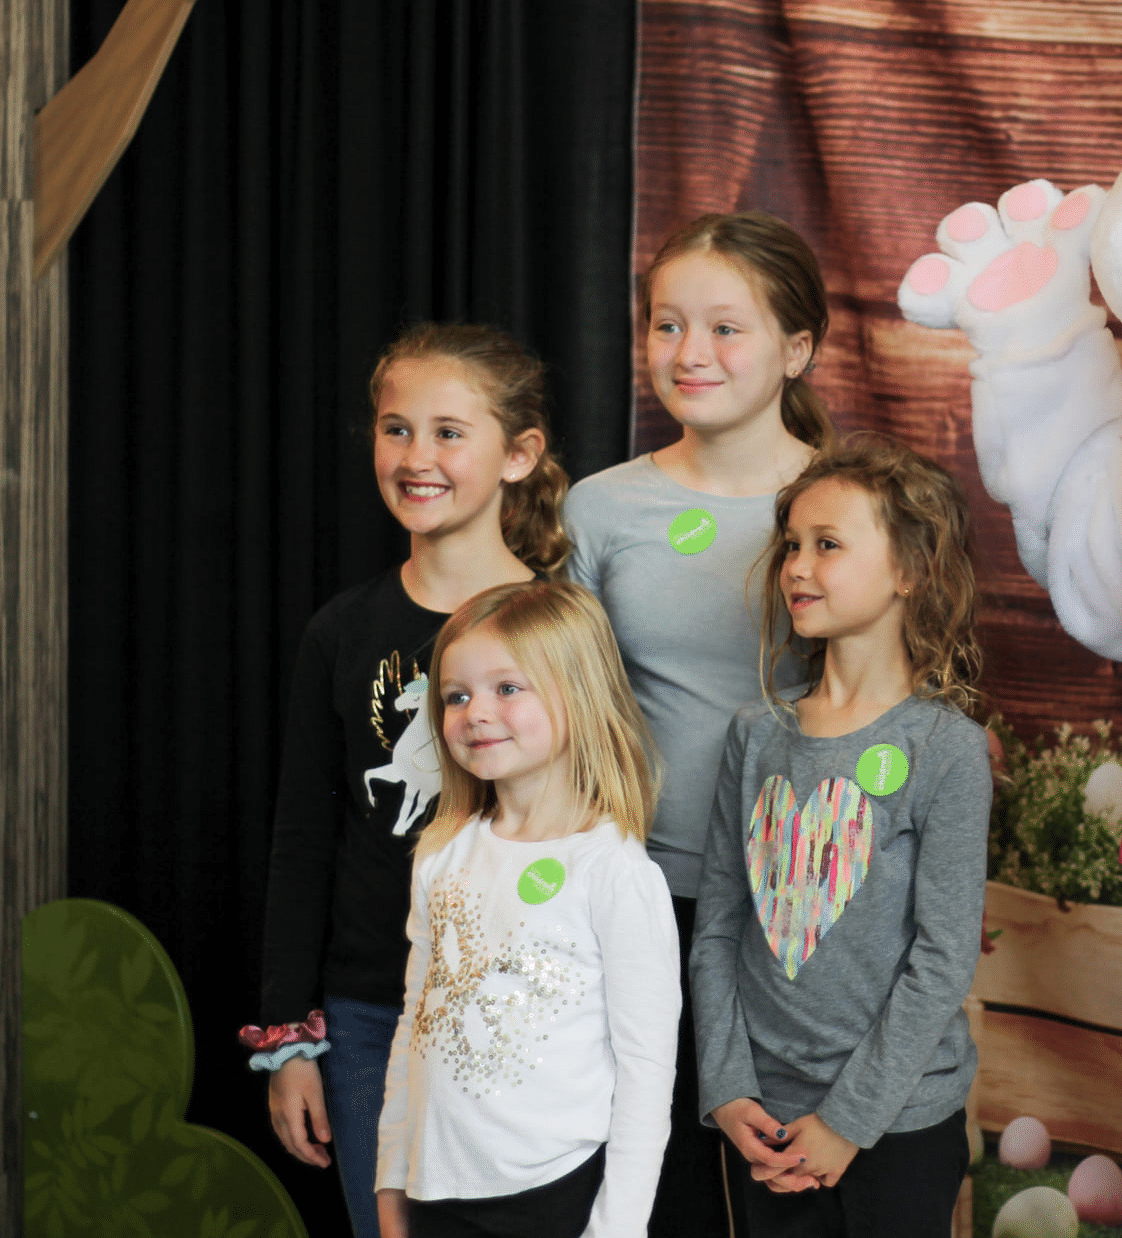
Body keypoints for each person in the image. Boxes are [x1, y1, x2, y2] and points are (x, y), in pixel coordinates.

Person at [250, 323, 570, 1238]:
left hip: (521, 1011)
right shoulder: (341, 631)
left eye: (447, 432)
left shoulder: (564, 628)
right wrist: (291, 1041)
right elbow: (304, 838)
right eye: (396, 429)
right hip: (367, 1017)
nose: (417, 457)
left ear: (519, 454)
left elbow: (595, 822)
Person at [564, 212, 832, 1234]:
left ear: (795, 347)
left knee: (785, 1180)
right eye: (667, 325)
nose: (689, 353)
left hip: (800, 907)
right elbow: (566, 710)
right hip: (639, 896)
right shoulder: (600, 510)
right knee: (653, 1179)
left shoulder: (843, 501)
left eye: (726, 328)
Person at [691, 434, 992, 1238]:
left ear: (909, 570)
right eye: (792, 545)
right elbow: (719, 925)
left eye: (827, 545)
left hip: (895, 1123)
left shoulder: (946, 748)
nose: (796, 566)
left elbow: (942, 958)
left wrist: (850, 1121)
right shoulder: (756, 735)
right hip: (763, 1119)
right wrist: (725, 1087)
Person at [374, 580, 679, 1238]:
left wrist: (616, 1227)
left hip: (554, 1194)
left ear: (580, 693)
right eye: (457, 695)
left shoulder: (614, 871)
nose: (476, 711)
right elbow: (414, 1025)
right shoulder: (442, 852)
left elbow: (646, 1074)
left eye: (507, 688)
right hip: (435, 1192)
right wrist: (391, 1173)